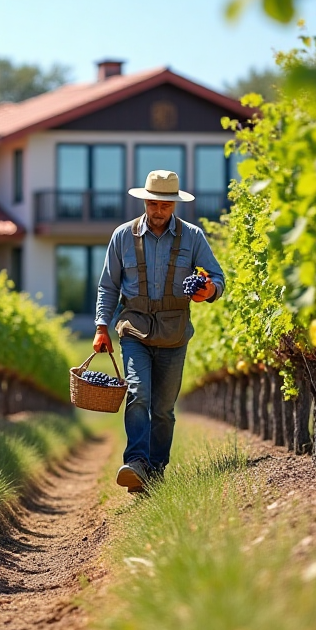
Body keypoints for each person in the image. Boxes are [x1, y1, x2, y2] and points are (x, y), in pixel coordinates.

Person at [94, 169, 225, 493]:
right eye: (153, 203)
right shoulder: (122, 236)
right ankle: (136, 462)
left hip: (174, 332)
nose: (158, 211)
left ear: (175, 205)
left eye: (165, 205)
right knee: (138, 393)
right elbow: (107, 286)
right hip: (134, 329)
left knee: (164, 409)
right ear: (145, 201)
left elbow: (217, 278)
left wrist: (208, 291)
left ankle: (155, 469)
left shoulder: (193, 237)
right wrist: (101, 326)